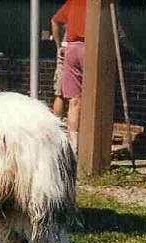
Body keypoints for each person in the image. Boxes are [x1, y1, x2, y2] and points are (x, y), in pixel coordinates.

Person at [51, 0, 88, 155]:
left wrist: (59, 45)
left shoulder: (74, 2)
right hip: (89, 46)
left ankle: (73, 148)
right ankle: (87, 147)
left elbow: (55, 20)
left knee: (74, 100)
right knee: (94, 100)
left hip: (71, 48)